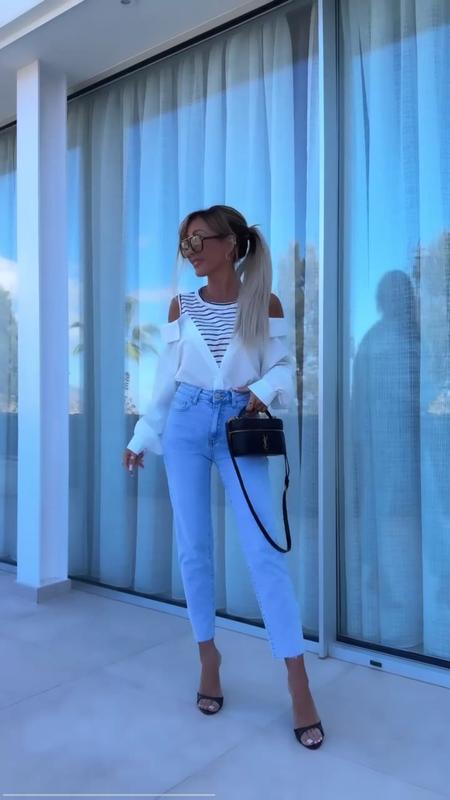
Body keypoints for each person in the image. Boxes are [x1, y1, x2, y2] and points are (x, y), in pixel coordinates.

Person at [122, 205, 324, 749]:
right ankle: (208, 658)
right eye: (184, 243)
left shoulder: (264, 303)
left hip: (239, 426)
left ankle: (298, 682)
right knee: (194, 549)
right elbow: (165, 380)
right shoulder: (181, 306)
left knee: (264, 552)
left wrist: (262, 390)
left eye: (198, 241)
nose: (190, 252)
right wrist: (142, 436)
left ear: (230, 244)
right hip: (186, 424)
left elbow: (282, 367)